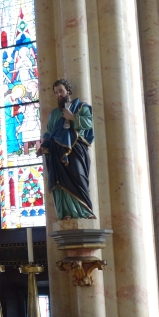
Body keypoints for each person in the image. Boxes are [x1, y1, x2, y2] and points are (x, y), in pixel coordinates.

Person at [38, 78, 96, 219]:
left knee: (78, 177)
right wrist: (43, 146)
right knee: (60, 182)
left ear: (68, 91)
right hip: (57, 152)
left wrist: (73, 118)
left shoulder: (81, 107)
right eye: (56, 92)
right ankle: (66, 212)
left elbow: (89, 123)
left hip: (76, 150)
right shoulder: (54, 114)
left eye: (61, 91)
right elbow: (49, 133)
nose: (59, 95)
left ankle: (84, 212)